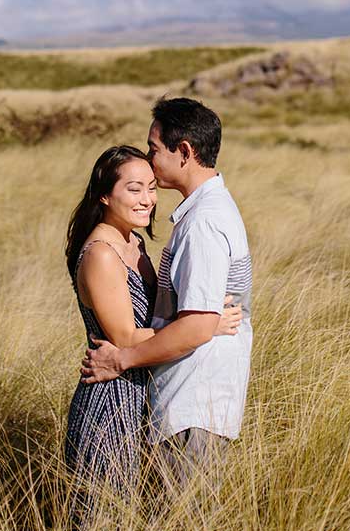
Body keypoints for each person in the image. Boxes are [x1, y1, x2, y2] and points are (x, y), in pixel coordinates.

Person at [64, 144, 241, 524]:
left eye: (150, 187)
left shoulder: (135, 243)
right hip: (110, 398)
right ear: (105, 195)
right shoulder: (102, 253)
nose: (147, 199)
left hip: (142, 393)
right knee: (103, 516)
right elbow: (125, 337)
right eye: (134, 189)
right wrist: (204, 327)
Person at [82, 97, 253, 486]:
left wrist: (122, 359)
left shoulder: (203, 224)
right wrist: (207, 325)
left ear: (185, 152)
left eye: (154, 149)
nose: (149, 158)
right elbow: (201, 323)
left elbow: (196, 326)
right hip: (187, 401)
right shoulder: (207, 212)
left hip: (193, 403)